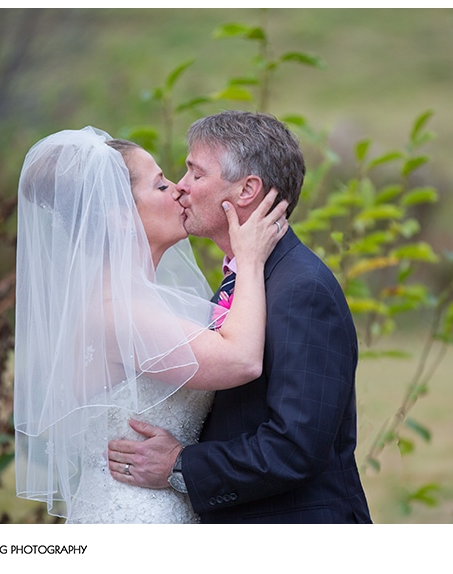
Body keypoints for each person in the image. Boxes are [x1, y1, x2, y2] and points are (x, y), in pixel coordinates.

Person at [13, 126, 289, 523]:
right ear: (121, 218)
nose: (179, 189)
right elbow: (241, 360)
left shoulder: (139, 301)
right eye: (160, 186)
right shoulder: (114, 311)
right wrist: (249, 258)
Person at [108, 110, 372, 523]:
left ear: (247, 189)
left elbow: (295, 446)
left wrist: (180, 465)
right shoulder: (246, 280)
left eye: (196, 174)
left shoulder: (302, 289)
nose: (181, 187)